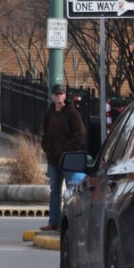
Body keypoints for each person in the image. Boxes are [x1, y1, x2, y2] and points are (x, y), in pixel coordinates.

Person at [40, 83, 85, 232]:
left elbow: (80, 133)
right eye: (57, 94)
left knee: (72, 191)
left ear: (65, 95)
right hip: (53, 159)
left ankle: (73, 222)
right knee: (55, 191)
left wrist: (67, 150)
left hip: (67, 160)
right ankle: (54, 222)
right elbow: (44, 133)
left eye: (61, 94)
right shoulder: (49, 112)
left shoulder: (71, 112)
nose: (59, 96)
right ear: (52, 96)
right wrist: (47, 148)